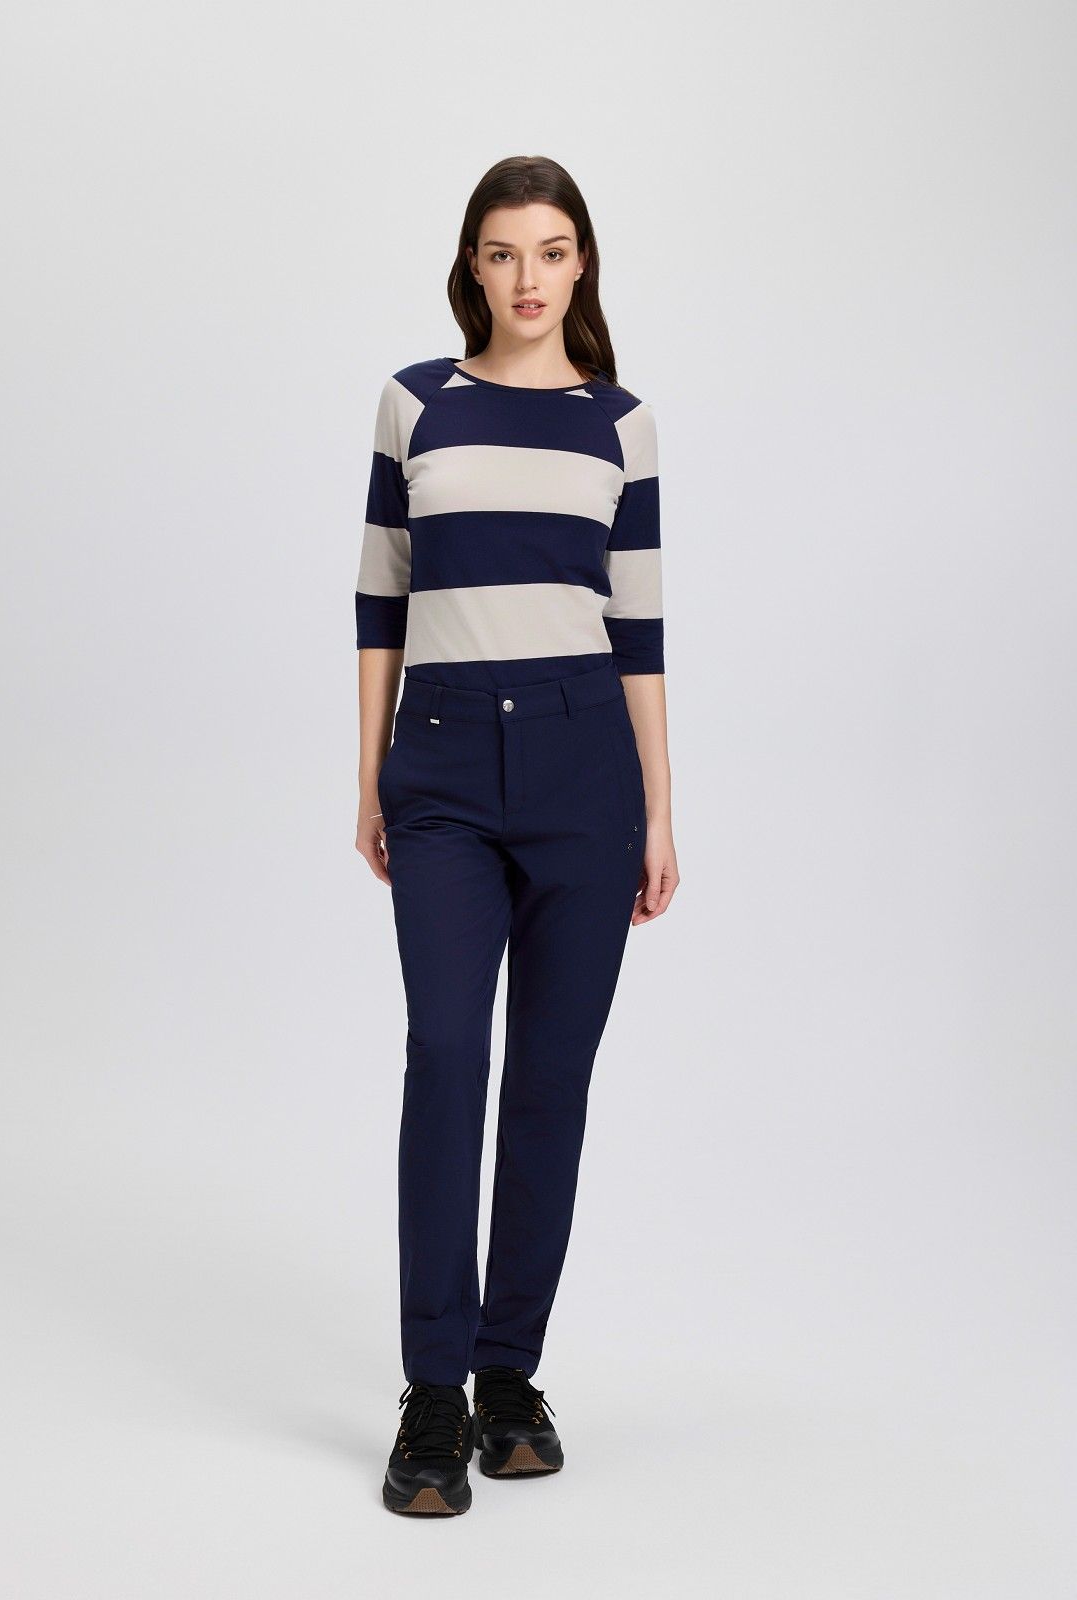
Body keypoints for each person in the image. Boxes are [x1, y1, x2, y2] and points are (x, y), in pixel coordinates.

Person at [354, 155, 680, 1517]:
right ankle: (432, 1392)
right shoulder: (415, 404)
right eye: (503, 252)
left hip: (583, 769)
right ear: (472, 267)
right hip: (438, 765)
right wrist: (368, 775)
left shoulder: (622, 424)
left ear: (580, 263)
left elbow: (640, 626)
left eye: (551, 251)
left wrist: (659, 807)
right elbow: (380, 598)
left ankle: (508, 1376)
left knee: (550, 1080)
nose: (528, 277)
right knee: (447, 1055)